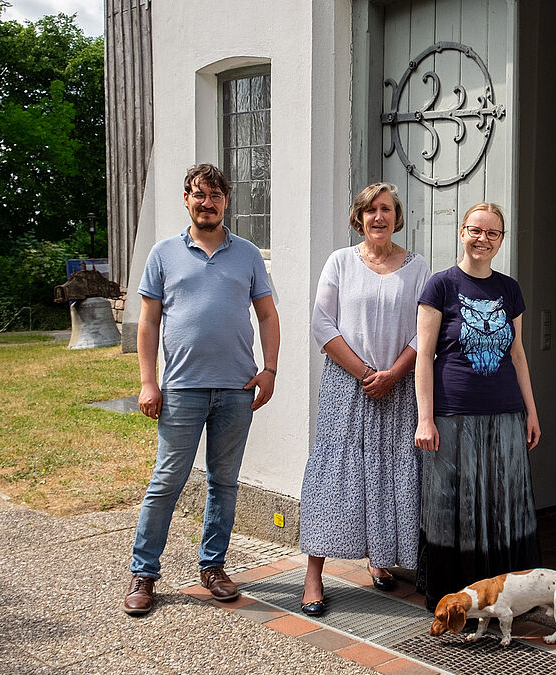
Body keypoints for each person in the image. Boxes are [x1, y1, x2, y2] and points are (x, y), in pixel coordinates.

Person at [122, 163, 280, 616]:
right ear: (186, 200)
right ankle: (144, 573)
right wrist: (148, 381)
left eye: (214, 195)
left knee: (224, 483)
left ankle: (212, 567)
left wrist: (270, 369)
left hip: (236, 389)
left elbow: (267, 316)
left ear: (226, 201)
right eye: (198, 195)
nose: (206, 203)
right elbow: (149, 321)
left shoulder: (247, 254)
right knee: (166, 482)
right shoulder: (163, 254)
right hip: (182, 390)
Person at [298, 183, 431, 616]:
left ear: (397, 217)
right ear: (359, 217)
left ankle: (379, 561)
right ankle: (313, 578)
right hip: (346, 386)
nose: (379, 217)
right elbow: (322, 324)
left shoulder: (418, 268)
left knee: (389, 472)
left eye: (387, 209)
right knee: (336, 473)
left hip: (398, 388)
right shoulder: (340, 262)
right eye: (370, 210)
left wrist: (393, 374)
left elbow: (423, 331)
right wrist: (365, 373)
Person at [413, 202, 542, 611]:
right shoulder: (441, 286)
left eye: (492, 233)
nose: (482, 239)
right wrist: (425, 418)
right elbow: (424, 356)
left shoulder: (509, 289)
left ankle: (505, 597)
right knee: (454, 506)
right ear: (462, 232)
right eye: (476, 230)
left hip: (505, 414)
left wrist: (532, 412)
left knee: (503, 505)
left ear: (501, 240)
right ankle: (454, 597)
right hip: (453, 416)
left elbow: (518, 354)